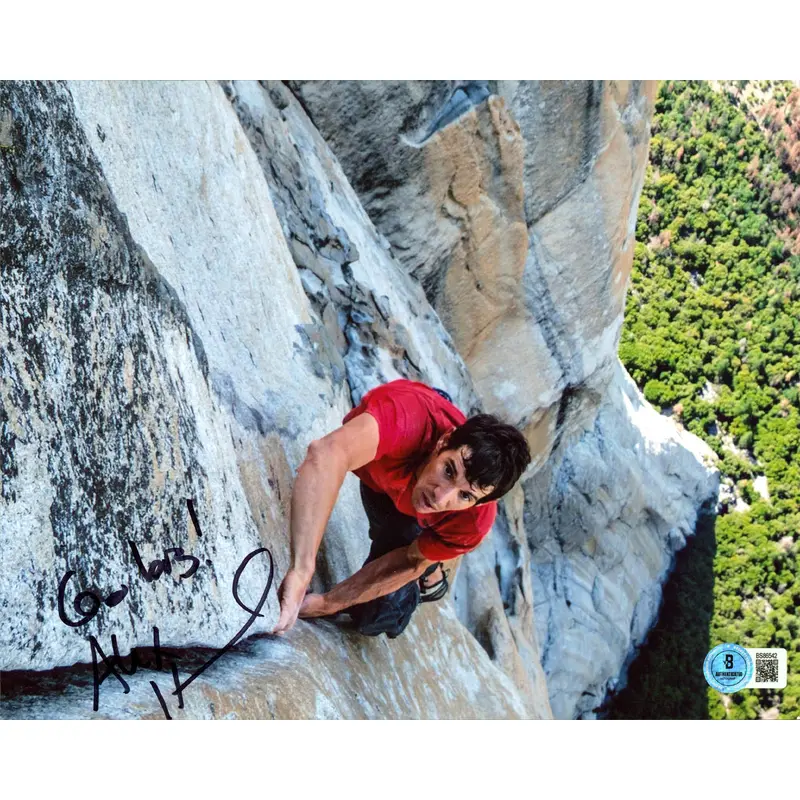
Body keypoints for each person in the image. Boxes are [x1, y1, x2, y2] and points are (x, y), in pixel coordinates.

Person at [272, 379, 531, 637]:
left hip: (416, 517)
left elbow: (411, 561)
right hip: (402, 457)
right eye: (449, 471)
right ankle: (440, 405)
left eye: (465, 495)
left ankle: (431, 572)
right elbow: (327, 454)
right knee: (401, 467)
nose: (441, 497)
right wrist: (301, 570)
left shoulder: (473, 520)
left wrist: (327, 604)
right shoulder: (405, 418)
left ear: (482, 502)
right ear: (443, 442)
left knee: (377, 612)